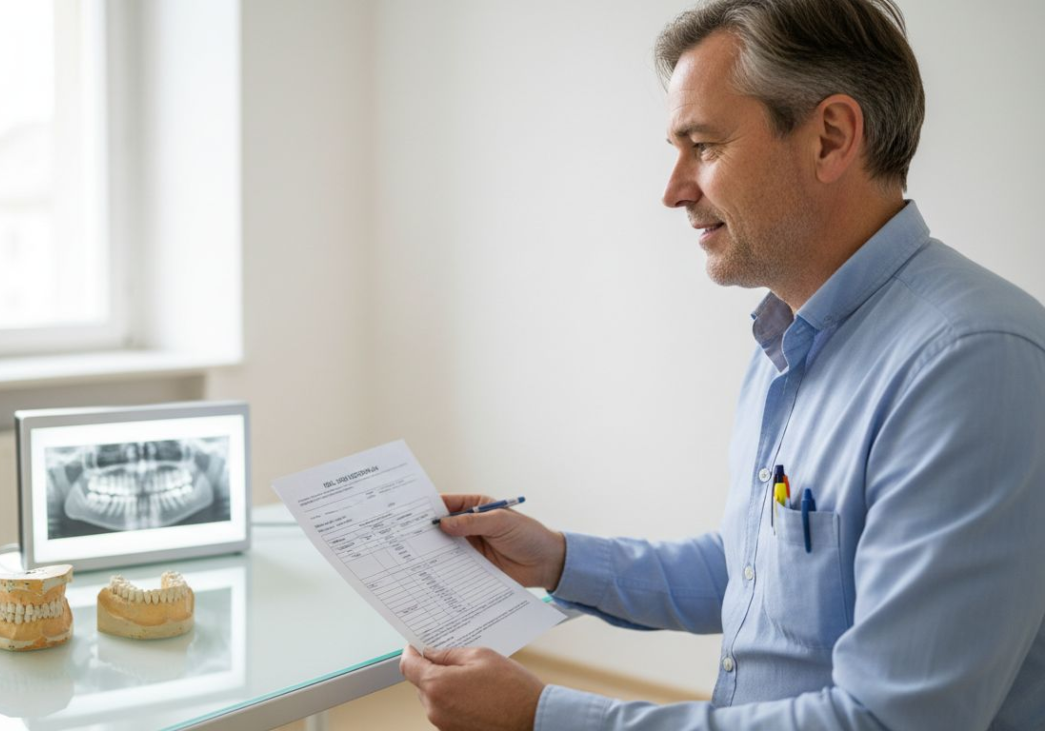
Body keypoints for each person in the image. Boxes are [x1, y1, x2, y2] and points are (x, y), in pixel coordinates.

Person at [399, 0, 1045, 729]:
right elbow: (755, 569)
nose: (673, 189)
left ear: (831, 137)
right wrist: (557, 560)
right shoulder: (787, 340)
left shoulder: (972, 366)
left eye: (701, 145)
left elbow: (890, 720)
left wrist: (543, 718)